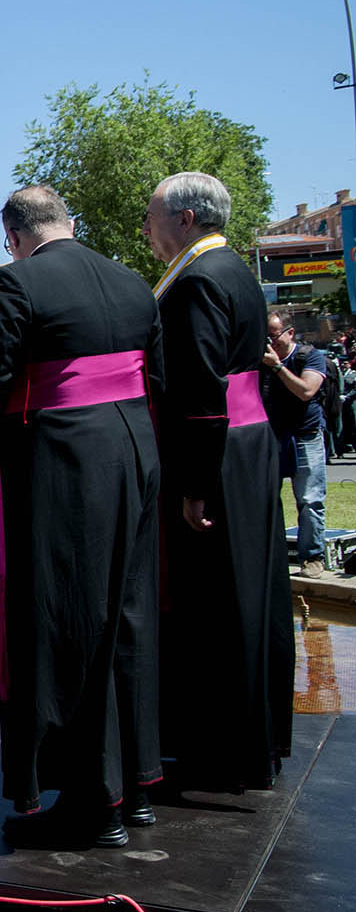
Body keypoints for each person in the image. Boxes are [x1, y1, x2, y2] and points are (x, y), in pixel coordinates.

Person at [0, 185, 162, 849]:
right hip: (135, 454)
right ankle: (136, 785)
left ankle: (93, 802)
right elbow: (156, 378)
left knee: (71, 623)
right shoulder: (133, 281)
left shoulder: (15, 282)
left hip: (65, 458)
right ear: (69, 224)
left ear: (14, 236)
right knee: (128, 617)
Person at [142, 171, 290, 792]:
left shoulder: (198, 280)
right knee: (252, 596)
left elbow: (201, 388)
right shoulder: (232, 268)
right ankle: (254, 739)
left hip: (217, 454)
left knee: (216, 603)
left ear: (185, 219)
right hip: (247, 445)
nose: (145, 230)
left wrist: (196, 482)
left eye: (151, 217)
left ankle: (221, 747)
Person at [262, 314, 328, 578]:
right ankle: (272, 556)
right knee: (266, 499)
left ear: (290, 333)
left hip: (305, 435)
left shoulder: (309, 356)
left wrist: (277, 367)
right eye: (266, 336)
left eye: (275, 334)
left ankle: (312, 558)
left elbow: (306, 391)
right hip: (271, 436)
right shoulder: (260, 359)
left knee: (310, 499)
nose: (270, 341)